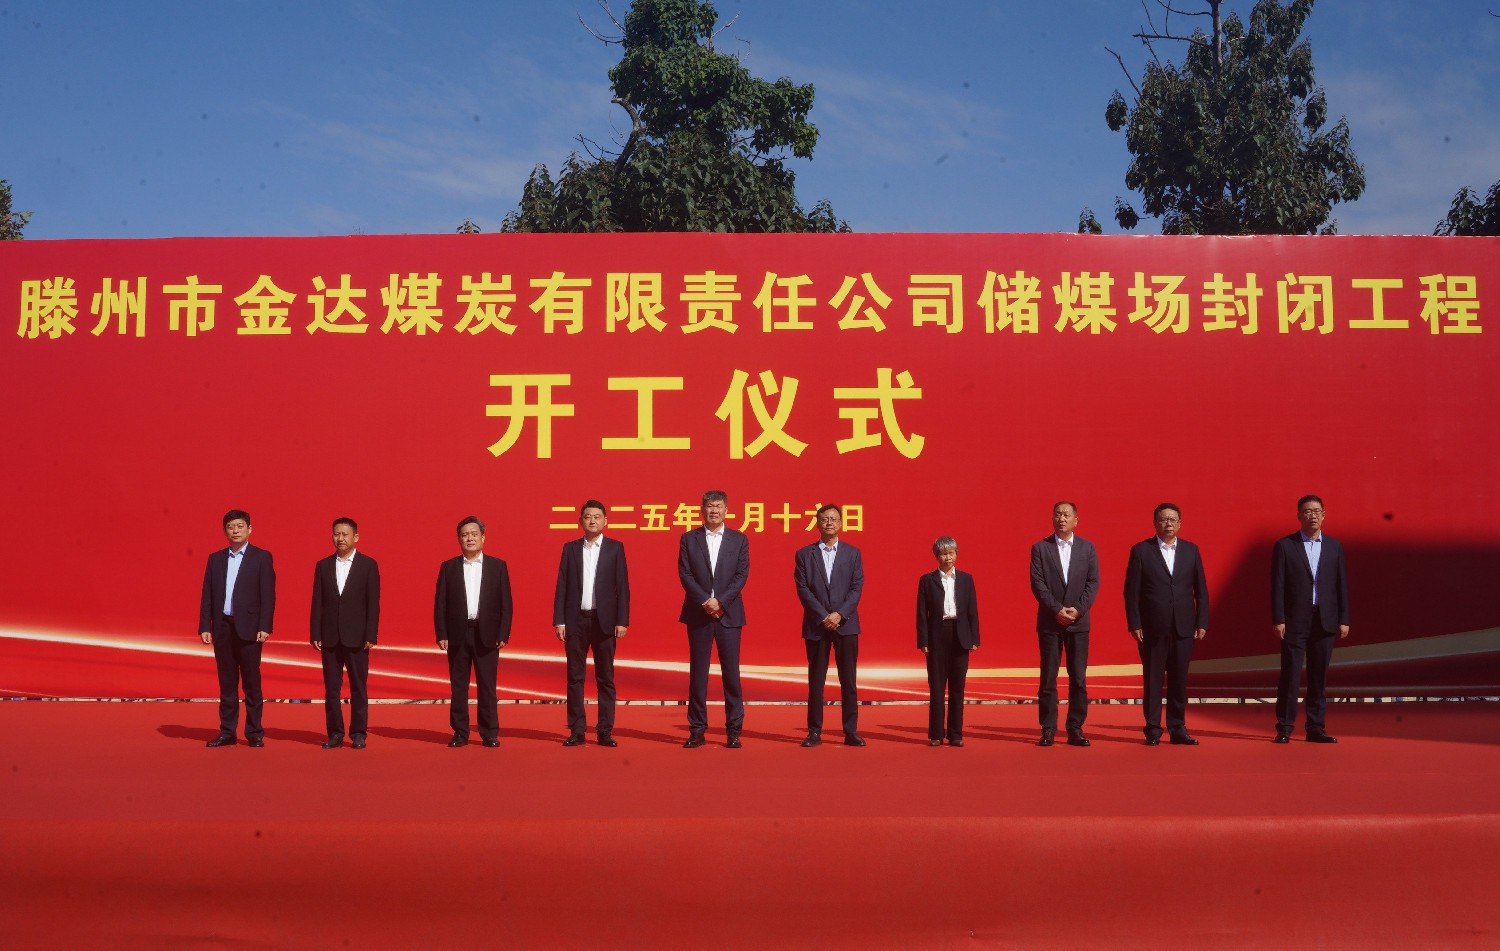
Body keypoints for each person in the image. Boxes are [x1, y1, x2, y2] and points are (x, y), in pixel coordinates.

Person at [1124, 502, 1209, 746]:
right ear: (1155, 523)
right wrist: (1135, 623)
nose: (1168, 524)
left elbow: (1201, 590)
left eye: (1172, 519)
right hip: (1152, 627)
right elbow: (1131, 592)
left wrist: (1202, 621)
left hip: (1184, 626)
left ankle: (1178, 728)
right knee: (1153, 679)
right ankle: (1153, 729)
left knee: (1179, 679)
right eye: (1163, 519)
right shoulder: (1141, 551)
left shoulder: (1191, 550)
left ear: (1180, 523)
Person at [1271, 494, 1350, 744]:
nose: (1312, 515)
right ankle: (1285, 727)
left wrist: (1344, 619)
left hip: (1325, 619)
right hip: (1294, 620)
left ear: (1324, 515)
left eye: (1316, 511)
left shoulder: (1334, 547)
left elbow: (1341, 585)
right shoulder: (1285, 546)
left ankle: (1315, 727)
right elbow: (1277, 586)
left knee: (1319, 676)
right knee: (1291, 674)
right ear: (1298, 516)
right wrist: (1278, 618)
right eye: (1307, 511)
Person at [553, 500, 630, 747]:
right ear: (580, 521)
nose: (592, 521)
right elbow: (562, 585)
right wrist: (559, 620)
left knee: (605, 677)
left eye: (597, 517)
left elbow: (623, 587)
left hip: (604, 621)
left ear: (605, 520)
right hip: (575, 620)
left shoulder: (615, 548)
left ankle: (604, 731)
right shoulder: (570, 549)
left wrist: (622, 620)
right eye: (587, 517)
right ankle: (577, 731)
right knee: (575, 677)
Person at [197, 509, 276, 748]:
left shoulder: (261, 557)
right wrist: (205, 625)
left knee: (251, 683)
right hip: (222, 627)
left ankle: (254, 732)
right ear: (225, 531)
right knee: (227, 683)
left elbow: (268, 595)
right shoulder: (215, 559)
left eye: (240, 526)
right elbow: (207, 594)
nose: (235, 531)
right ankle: (227, 732)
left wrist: (265, 625)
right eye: (231, 527)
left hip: (250, 629)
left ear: (249, 529)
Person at [677, 490, 749, 749]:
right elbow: (685, 574)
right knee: (698, 673)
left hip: (729, 614)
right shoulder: (689, 538)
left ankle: (734, 730)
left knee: (731, 674)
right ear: (702, 510)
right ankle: (697, 729)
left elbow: (741, 575)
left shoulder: (739, 539)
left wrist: (721, 602)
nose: (714, 511)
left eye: (718, 506)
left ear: (726, 510)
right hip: (699, 614)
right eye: (709, 506)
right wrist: (706, 601)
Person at [434, 516, 513, 748]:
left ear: (483, 537)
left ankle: (489, 733)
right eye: (465, 535)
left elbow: (506, 603)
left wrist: (503, 633)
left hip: (487, 634)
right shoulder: (448, 567)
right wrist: (442, 633)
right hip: (457, 634)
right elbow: (440, 604)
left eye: (474, 534)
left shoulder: (498, 566)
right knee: (458, 685)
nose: (469, 538)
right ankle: (460, 732)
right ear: (459, 539)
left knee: (487, 686)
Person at [793, 504, 866, 747]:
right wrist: (824, 615)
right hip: (817, 625)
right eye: (824, 519)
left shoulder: (853, 553)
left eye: (833, 519)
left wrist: (840, 615)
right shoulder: (805, 554)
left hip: (846, 625)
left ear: (841, 523)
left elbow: (856, 587)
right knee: (816, 681)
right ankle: (814, 732)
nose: (829, 523)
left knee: (849, 681)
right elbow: (803, 589)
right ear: (817, 523)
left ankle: (850, 731)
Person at [1029, 501, 1100, 747]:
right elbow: (1037, 583)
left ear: (1075, 520)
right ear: (1052, 519)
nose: (1062, 518)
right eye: (1058, 514)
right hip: (1050, 622)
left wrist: (1077, 610)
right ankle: (1048, 729)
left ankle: (1075, 728)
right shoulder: (1040, 548)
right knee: (1048, 678)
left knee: (1078, 678)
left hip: (1079, 624)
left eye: (1066, 515)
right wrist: (1057, 609)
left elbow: (1093, 583)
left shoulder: (1087, 548)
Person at [309, 517, 380, 749]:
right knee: (331, 689)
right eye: (336, 534)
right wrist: (315, 633)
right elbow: (317, 602)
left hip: (357, 637)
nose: (340, 538)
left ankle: (358, 733)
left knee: (358, 687)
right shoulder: (323, 565)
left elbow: (373, 603)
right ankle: (335, 733)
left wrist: (370, 634)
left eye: (345, 534)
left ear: (355, 537)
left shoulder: (368, 565)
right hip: (329, 636)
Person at [915, 536, 980, 747]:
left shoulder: (966, 579)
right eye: (943, 554)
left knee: (957, 688)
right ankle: (936, 734)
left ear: (956, 554)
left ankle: (955, 734)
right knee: (936, 687)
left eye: (951, 553)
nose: (948, 557)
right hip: (937, 636)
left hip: (960, 636)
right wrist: (923, 640)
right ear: (937, 556)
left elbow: (972, 610)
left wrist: (974, 638)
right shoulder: (927, 580)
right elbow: (921, 614)